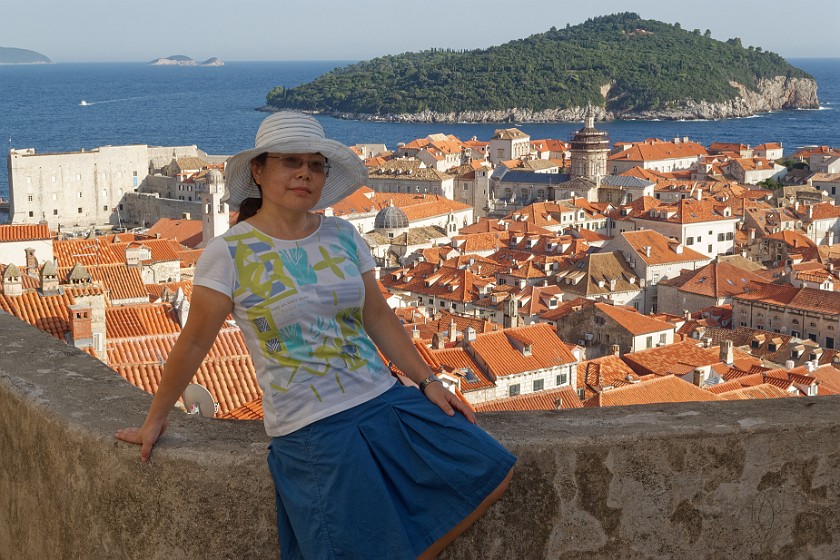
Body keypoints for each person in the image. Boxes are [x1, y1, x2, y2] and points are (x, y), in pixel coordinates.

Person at [116, 111, 515, 559]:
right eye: (290, 161)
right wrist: (156, 419)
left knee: (490, 470)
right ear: (259, 171)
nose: (305, 172)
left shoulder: (343, 236)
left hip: (383, 399)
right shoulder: (227, 253)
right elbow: (192, 342)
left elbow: (379, 317)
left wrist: (428, 381)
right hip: (311, 424)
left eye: (316, 164)